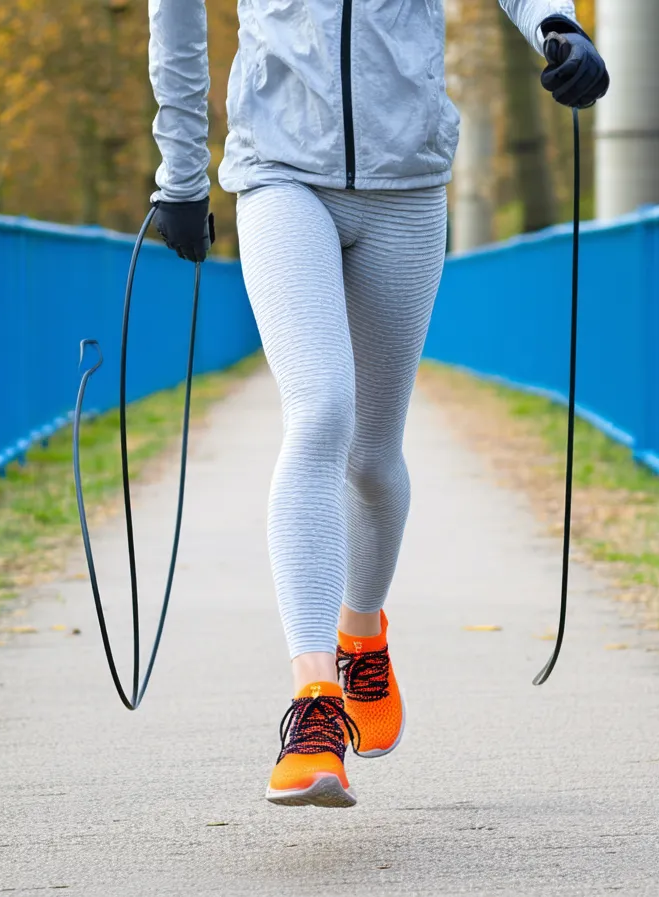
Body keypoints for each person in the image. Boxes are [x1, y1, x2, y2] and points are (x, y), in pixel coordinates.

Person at [147, 0, 608, 807]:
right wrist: (181, 173)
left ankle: (362, 635)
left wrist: (555, 24)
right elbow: (176, 16)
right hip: (281, 174)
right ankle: (315, 706)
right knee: (322, 410)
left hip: (408, 182)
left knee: (370, 454)